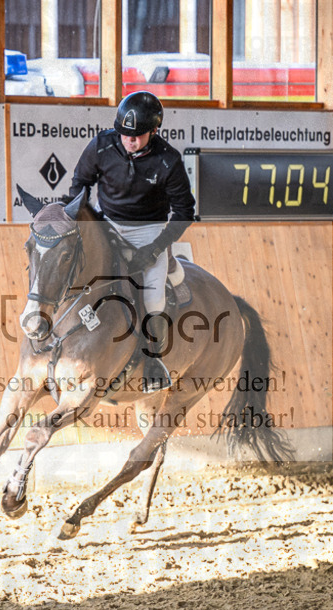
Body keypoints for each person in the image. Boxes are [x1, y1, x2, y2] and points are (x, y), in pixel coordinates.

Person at [63, 91, 196, 393]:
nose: (129, 140)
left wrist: (155, 248)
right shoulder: (101, 146)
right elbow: (80, 184)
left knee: (153, 299)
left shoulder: (168, 160)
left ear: (154, 131)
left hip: (149, 230)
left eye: (137, 136)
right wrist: (81, 219)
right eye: (125, 134)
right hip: (107, 223)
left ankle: (152, 361)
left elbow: (185, 212)